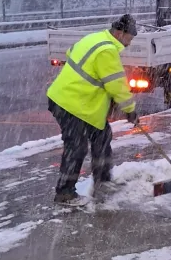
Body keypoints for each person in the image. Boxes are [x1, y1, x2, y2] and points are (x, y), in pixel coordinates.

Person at [47, 14, 139, 206]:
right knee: (77, 146)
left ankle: (103, 181)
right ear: (120, 33)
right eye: (129, 39)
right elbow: (117, 85)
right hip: (69, 104)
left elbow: (70, 52)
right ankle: (64, 193)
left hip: (80, 104)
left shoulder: (94, 38)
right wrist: (130, 110)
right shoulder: (107, 50)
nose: (129, 44)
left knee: (102, 136)